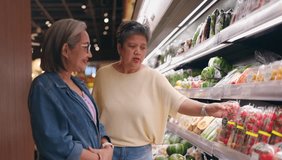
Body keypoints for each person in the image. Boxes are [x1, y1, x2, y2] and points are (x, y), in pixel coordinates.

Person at [92, 20, 238, 160]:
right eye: (132, 46)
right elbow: (93, 115)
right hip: (107, 151)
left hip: (139, 154)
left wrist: (207, 109)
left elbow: (179, 102)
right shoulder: (103, 76)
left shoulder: (154, 77)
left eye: (142, 47)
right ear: (120, 48)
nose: (138, 52)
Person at [28, 19, 113, 160]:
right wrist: (98, 157)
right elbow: (54, 143)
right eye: (86, 47)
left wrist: (106, 145)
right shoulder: (43, 87)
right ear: (66, 50)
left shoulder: (78, 84)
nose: (90, 55)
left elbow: (94, 122)